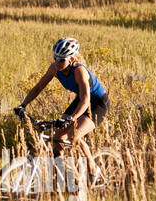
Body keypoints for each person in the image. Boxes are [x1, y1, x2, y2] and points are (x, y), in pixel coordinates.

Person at [16, 37, 110, 180]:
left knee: (74, 133)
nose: (58, 63)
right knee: (57, 137)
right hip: (80, 100)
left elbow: (86, 100)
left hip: (97, 103)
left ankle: (93, 167)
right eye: (56, 58)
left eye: (62, 60)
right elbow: (38, 88)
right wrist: (22, 105)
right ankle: (60, 175)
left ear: (71, 59)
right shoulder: (54, 68)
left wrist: (71, 119)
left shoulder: (79, 71)